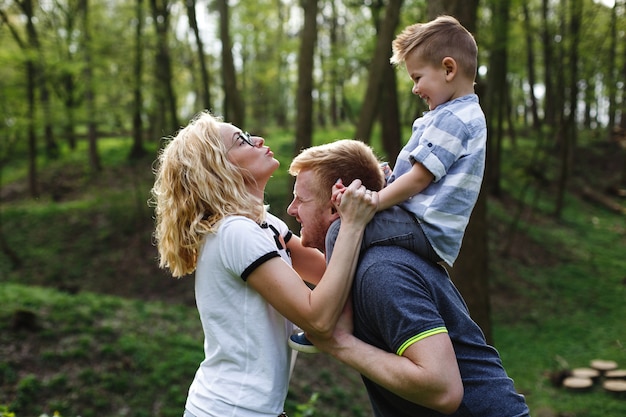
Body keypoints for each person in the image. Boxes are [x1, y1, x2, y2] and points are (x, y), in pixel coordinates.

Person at [150, 111, 377, 417]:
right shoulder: (235, 233)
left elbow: (329, 272)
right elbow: (318, 318)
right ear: (220, 168)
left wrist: (378, 195)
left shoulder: (261, 224)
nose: (258, 139)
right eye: (242, 141)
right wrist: (351, 224)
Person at [287, 139, 531, 417]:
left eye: (301, 199)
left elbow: (443, 389)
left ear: (334, 208)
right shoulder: (355, 267)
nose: (291, 209)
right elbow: (294, 262)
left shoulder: (381, 271)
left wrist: (338, 343)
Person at [290, 14, 488, 353]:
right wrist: (384, 180)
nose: (414, 87)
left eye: (418, 77)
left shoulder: (455, 118)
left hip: (424, 227)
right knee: (348, 226)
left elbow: (420, 179)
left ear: (449, 69)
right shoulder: (450, 115)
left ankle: (339, 317)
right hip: (421, 223)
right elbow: (417, 177)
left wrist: (373, 200)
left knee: (341, 230)